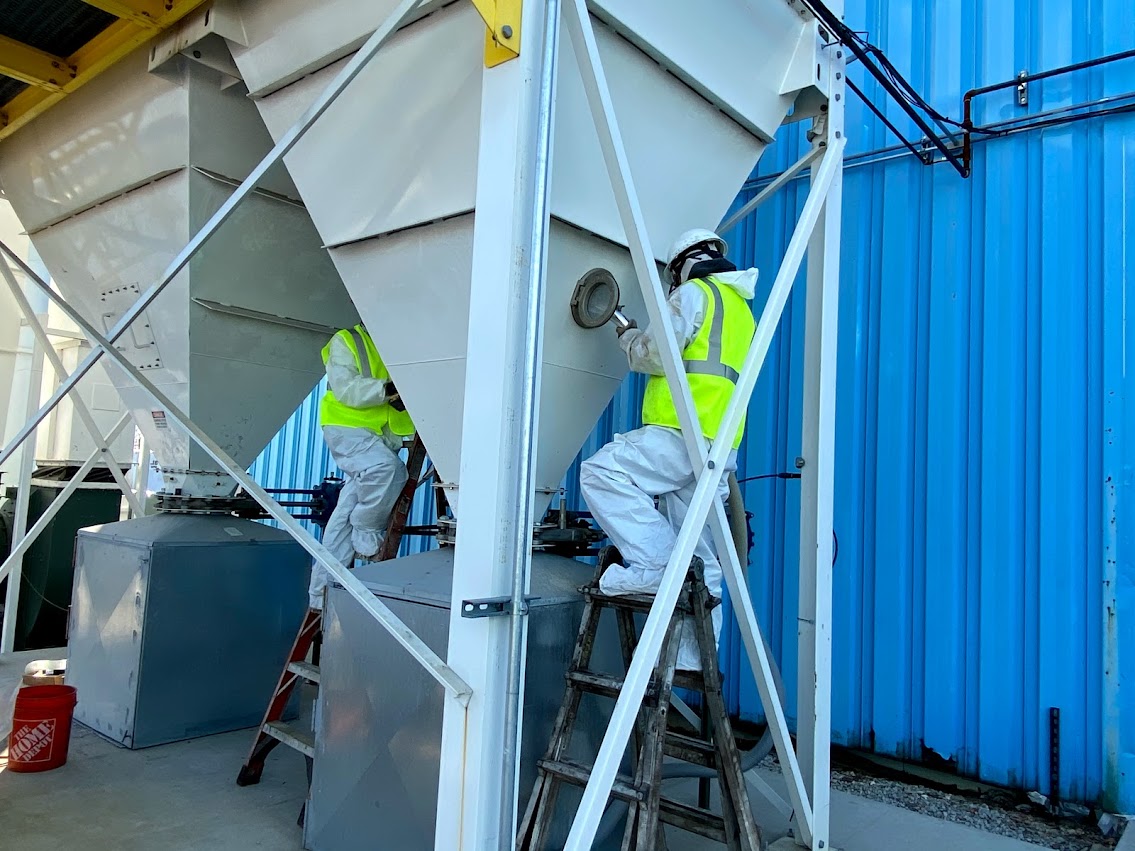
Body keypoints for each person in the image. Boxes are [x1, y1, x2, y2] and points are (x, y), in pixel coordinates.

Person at [580, 229, 757, 668]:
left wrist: (630, 339)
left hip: (681, 433)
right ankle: (695, 659)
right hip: (718, 446)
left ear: (681, 265)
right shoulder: (741, 309)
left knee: (602, 473)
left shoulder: (694, 293)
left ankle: (654, 565)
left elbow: (658, 354)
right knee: (701, 552)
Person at [308, 323, 414, 610]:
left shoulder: (400, 341)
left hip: (380, 435)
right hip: (348, 428)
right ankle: (367, 525)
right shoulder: (347, 340)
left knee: (343, 515)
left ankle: (320, 592)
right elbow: (346, 388)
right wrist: (390, 390)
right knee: (388, 470)